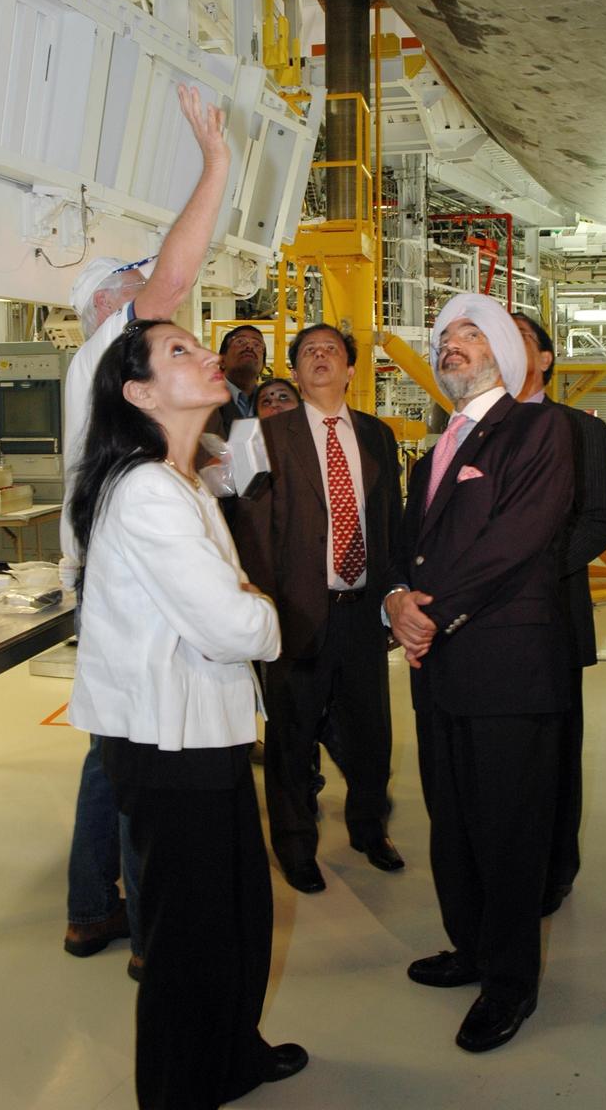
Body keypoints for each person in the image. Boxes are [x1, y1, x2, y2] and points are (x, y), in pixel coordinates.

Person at [67, 318, 308, 1109]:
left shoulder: (178, 480)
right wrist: (263, 615)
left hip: (203, 731)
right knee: (187, 937)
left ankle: (230, 1055)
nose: (207, 355)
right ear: (138, 394)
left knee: (236, 914)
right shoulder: (145, 493)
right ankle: (177, 1089)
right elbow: (232, 625)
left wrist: (244, 614)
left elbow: (223, 620)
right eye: (180, 351)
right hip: (168, 745)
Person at [61, 84, 230, 980]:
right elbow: (174, 281)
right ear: (104, 311)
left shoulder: (99, 384)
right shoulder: (102, 355)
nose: (156, 304)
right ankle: (141, 925)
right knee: (143, 744)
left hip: (108, 574)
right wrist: (214, 163)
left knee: (116, 744)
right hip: (123, 581)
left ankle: (94, 907)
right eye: (133, 291)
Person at [385, 292, 573, 1053]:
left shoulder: (539, 428)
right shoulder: (435, 447)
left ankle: (509, 982)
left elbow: (517, 540)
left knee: (507, 828)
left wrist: (432, 613)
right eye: (441, 338)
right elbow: (408, 542)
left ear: (502, 350)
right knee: (452, 819)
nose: (448, 345)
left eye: (467, 333)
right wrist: (395, 598)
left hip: (505, 666)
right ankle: (468, 944)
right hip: (437, 667)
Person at [234, 324, 404, 893]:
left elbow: (391, 525)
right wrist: (265, 608)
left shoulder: (378, 437)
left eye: (332, 349)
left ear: (351, 370)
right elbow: (252, 530)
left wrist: (394, 595)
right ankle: (295, 845)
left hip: (362, 610)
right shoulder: (267, 435)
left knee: (370, 730)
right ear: (297, 372)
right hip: (297, 611)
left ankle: (368, 828)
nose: (321, 356)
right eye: (309, 352)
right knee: (292, 733)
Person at [513, 313, 606, 915]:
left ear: (548, 360)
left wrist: (533, 571)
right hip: (487, 630)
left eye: (523, 339)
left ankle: (555, 867)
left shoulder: (583, 431)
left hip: (552, 614)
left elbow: (600, 519)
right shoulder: (472, 428)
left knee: (554, 750)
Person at [216, 325, 267, 426]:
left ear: (263, 365)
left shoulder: (272, 402)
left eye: (257, 345)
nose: (250, 347)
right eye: (240, 341)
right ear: (221, 361)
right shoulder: (201, 402)